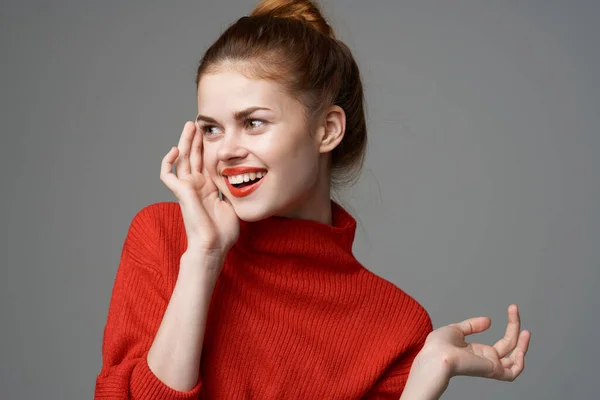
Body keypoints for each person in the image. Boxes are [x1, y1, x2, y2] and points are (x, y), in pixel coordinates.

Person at [94, 0, 531, 399]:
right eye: (211, 128)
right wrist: (204, 257)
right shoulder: (165, 238)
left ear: (327, 130)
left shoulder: (394, 327)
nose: (225, 150)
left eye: (254, 122)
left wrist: (425, 382)